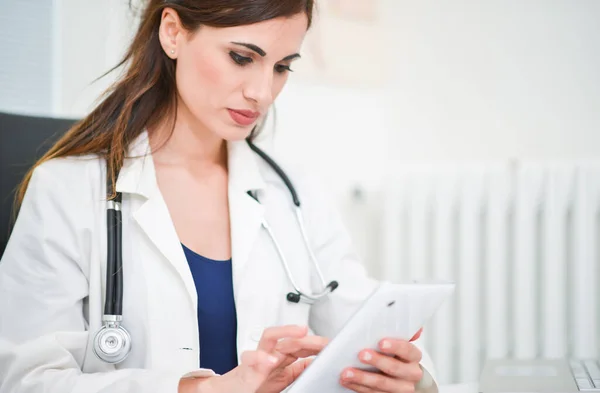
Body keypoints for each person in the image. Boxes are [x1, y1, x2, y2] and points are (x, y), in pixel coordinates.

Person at [0, 1, 438, 392]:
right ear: (172, 32)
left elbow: (366, 324)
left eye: (282, 67)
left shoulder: (293, 195)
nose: (262, 92)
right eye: (241, 57)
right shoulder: (67, 191)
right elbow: (26, 379)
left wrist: (409, 377)